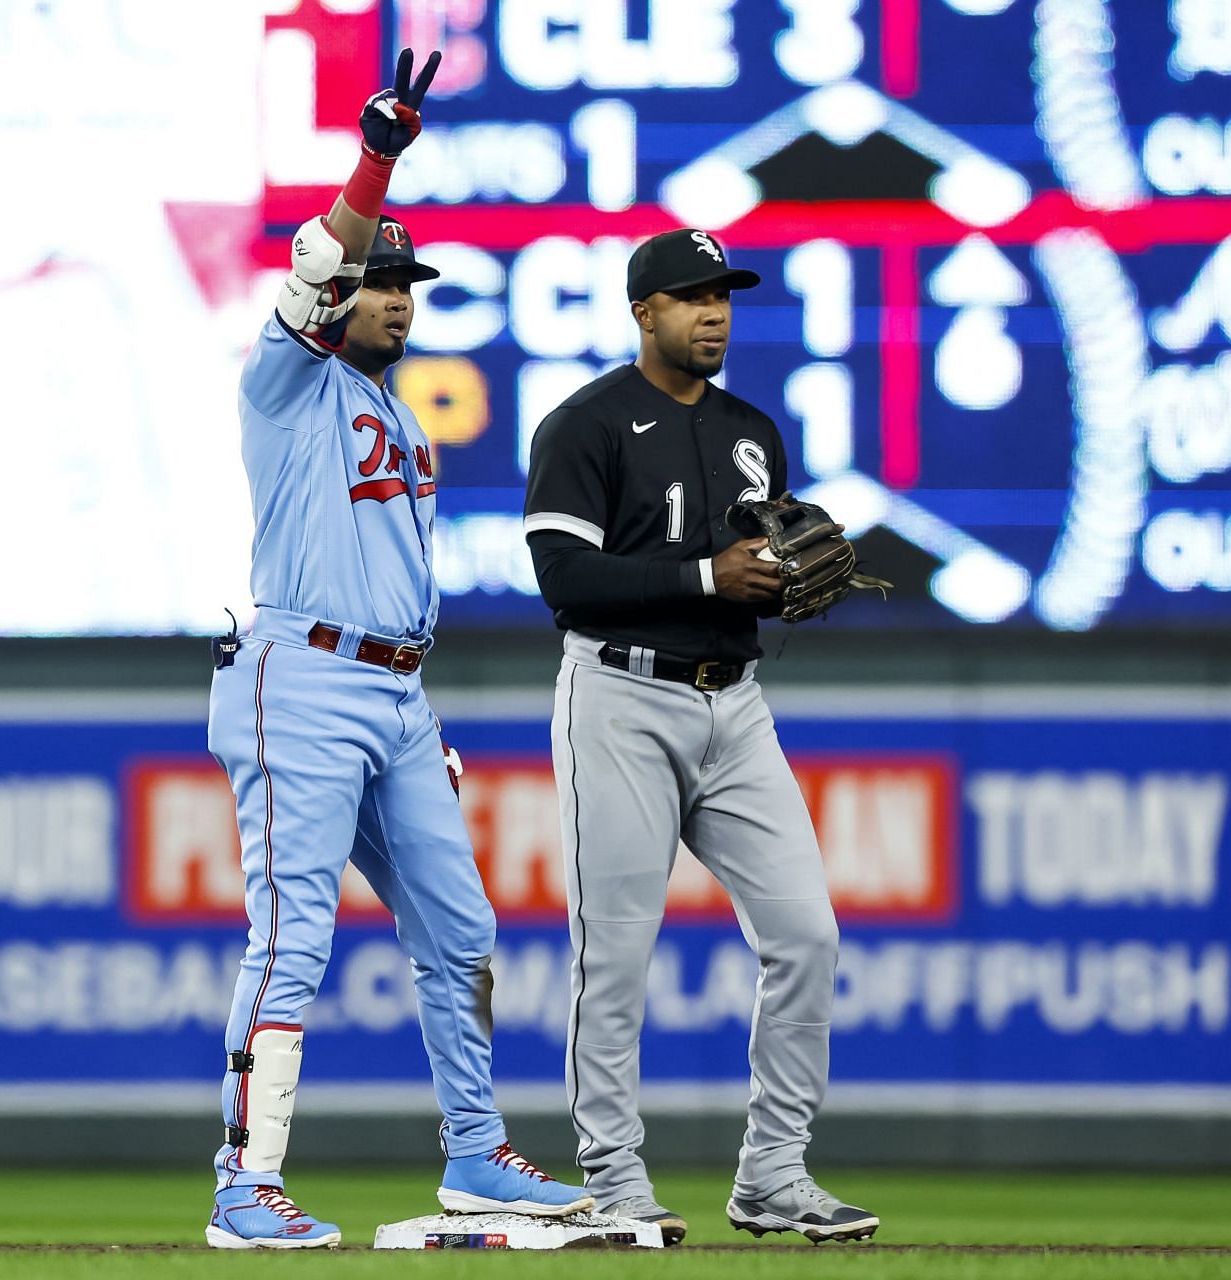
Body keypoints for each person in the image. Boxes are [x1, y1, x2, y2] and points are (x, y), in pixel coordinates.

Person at [204, 49, 591, 1250]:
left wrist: (408, 703)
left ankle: (475, 1153)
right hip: (300, 676)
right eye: (378, 282)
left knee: (461, 927)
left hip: (393, 691)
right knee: (293, 935)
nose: (395, 295)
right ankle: (243, 1182)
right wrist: (373, 161)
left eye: (407, 282)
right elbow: (317, 266)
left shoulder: (392, 407)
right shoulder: (287, 382)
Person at [519, 229, 880, 1247]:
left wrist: (779, 581)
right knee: (616, 951)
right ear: (645, 311)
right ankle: (615, 1177)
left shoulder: (754, 428)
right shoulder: (584, 423)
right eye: (690, 296)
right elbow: (565, 582)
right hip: (620, 698)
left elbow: (762, 561)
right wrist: (707, 576)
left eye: (723, 295)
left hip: (737, 703)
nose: (713, 311)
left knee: (807, 932)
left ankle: (773, 1172)